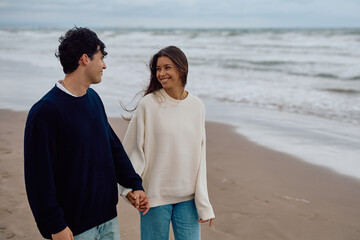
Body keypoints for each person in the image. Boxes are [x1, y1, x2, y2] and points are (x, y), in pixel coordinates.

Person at [24, 27, 149, 240]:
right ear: (85, 59)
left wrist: (133, 184)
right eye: (101, 58)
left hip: (108, 219)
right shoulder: (44, 112)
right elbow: (38, 178)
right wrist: (55, 226)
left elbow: (112, 148)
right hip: (74, 228)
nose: (104, 65)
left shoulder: (93, 100)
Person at [120, 46, 215, 240]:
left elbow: (200, 157)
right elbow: (131, 151)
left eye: (167, 67)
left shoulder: (197, 106)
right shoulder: (148, 104)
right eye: (157, 69)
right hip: (154, 198)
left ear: (182, 69)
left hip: (188, 200)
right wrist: (128, 190)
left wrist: (204, 203)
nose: (161, 73)